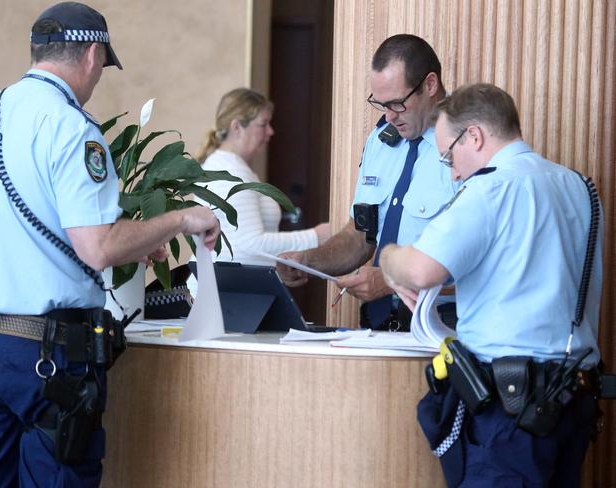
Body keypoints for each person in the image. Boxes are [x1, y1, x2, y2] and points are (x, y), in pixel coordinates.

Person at [0, 3, 220, 487]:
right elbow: (98, 249)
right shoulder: (71, 128)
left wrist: (128, 233)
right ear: (92, 54)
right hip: (49, 358)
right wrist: (180, 219)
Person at [379, 83, 603, 486]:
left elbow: (421, 270)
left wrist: (388, 258)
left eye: (448, 156)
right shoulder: (579, 188)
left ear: (475, 136)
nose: (453, 171)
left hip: (511, 412)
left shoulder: (491, 188)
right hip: (572, 398)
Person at [276, 34, 457, 330]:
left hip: (440, 327)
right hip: (379, 324)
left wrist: (390, 283)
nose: (388, 117)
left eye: (397, 103)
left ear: (430, 85)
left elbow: (485, 264)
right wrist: (308, 260)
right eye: (381, 104)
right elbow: (360, 237)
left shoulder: (466, 144)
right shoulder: (380, 141)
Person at [193, 87, 330, 266]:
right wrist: (315, 237)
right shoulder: (229, 171)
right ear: (237, 127)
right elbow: (250, 246)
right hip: (222, 291)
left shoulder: (233, 167)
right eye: (263, 124)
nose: (270, 131)